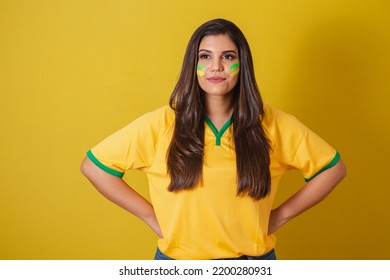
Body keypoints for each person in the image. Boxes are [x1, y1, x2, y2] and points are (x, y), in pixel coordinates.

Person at [80, 18, 346, 260]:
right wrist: (150, 216)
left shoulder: (273, 124)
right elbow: (94, 167)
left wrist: (280, 216)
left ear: (241, 64)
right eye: (205, 56)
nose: (215, 66)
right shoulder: (161, 123)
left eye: (227, 56)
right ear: (192, 64)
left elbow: (332, 168)